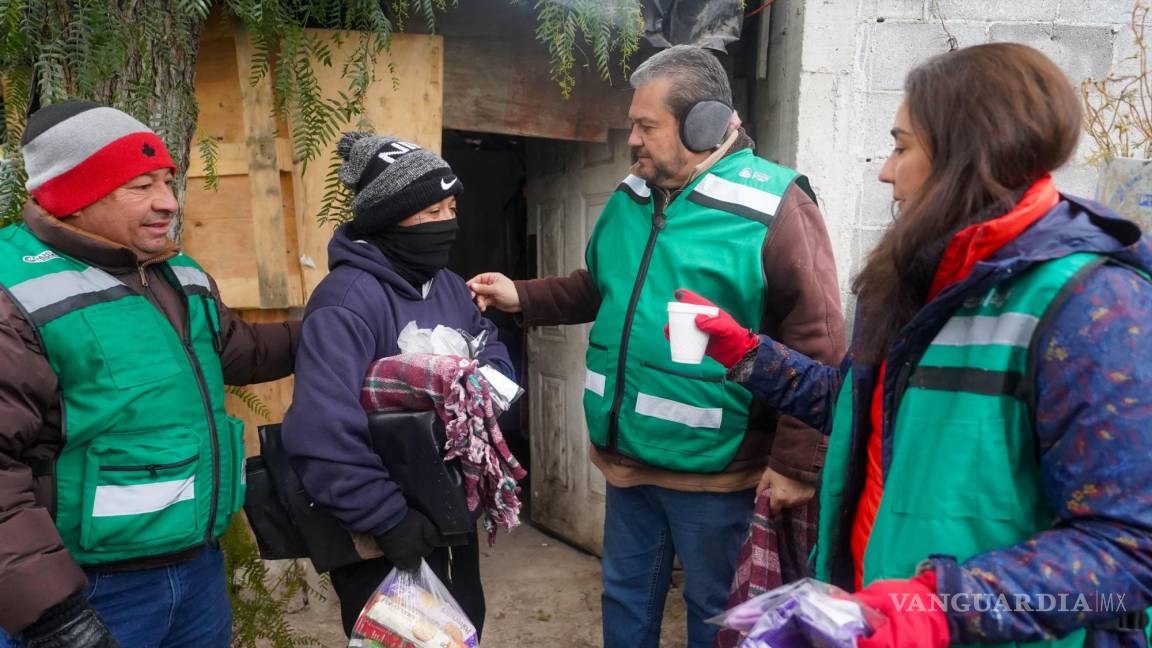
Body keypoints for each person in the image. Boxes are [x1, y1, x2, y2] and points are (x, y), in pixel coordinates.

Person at [680, 43, 1152, 646]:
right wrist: (744, 352)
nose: (884, 170)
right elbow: (863, 411)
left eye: (902, 146)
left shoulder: (1093, 306)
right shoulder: (920, 283)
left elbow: (1128, 548)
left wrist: (935, 607)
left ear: (967, 155)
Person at [468, 45, 845, 647]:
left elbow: (817, 338)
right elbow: (598, 286)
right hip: (627, 457)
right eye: (632, 126)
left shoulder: (774, 205)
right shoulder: (630, 198)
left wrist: (797, 462)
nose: (633, 141)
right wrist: (523, 295)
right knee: (624, 597)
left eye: (647, 126)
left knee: (716, 613)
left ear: (703, 123)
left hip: (716, 467)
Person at [0, 101, 300, 647]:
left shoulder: (175, 271)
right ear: (75, 194)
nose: (168, 202)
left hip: (197, 575)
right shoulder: (13, 289)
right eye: (140, 186)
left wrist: (338, 323)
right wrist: (50, 613)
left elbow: (242, 352)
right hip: (87, 591)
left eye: (167, 181)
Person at [281, 132, 515, 637]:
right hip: (390, 526)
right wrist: (387, 519)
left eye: (451, 207)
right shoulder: (346, 301)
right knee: (400, 638)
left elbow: (490, 348)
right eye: (430, 213)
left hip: (451, 511)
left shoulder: (449, 285)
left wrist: (479, 392)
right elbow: (321, 431)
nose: (447, 223)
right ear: (387, 218)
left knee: (461, 627)